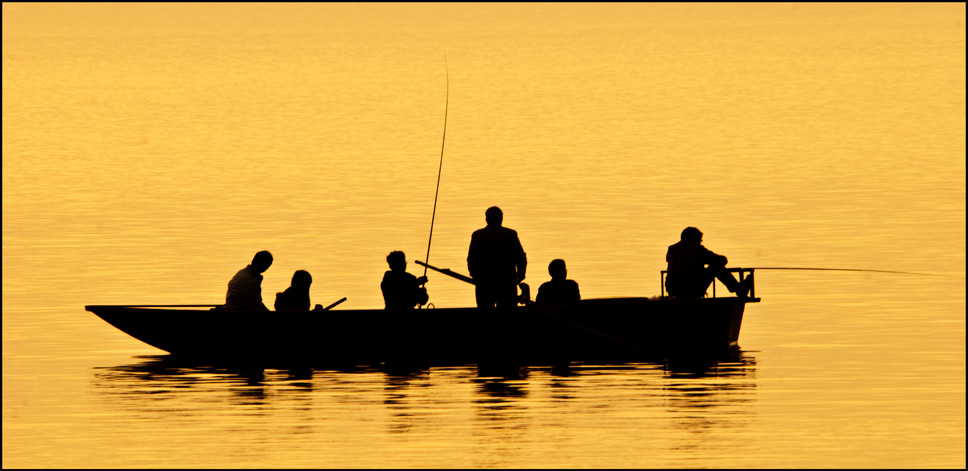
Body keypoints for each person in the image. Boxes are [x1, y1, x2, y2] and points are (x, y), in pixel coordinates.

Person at [467, 206, 527, 308]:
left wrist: (475, 276)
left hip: (484, 284)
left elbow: (471, 259)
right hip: (507, 284)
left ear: (486, 220)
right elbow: (521, 258)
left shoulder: (477, 235)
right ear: (501, 219)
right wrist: (520, 276)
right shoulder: (511, 235)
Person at [665, 227, 750, 299]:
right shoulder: (696, 249)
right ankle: (738, 289)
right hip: (691, 290)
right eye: (699, 240)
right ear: (694, 240)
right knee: (716, 266)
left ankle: (738, 288)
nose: (700, 243)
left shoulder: (672, 249)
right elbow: (719, 260)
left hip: (672, 290)